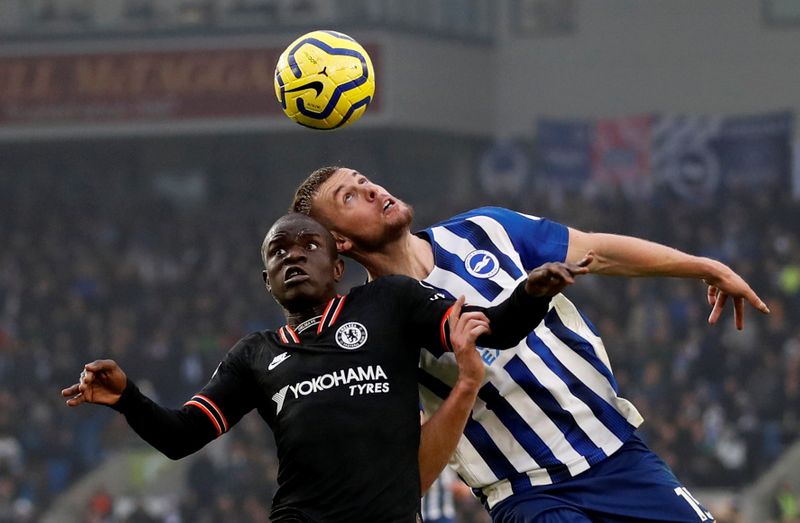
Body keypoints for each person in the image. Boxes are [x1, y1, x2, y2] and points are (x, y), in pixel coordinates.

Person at [290, 166, 771, 523]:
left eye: (365, 180)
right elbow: (406, 457)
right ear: (340, 242)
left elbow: (595, 250)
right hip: (524, 492)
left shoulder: (486, 230)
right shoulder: (371, 328)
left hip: (616, 454)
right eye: (350, 196)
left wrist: (704, 266)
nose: (373, 190)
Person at [62, 213, 590, 523]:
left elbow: (488, 328)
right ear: (266, 280)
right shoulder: (254, 355)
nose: (293, 256)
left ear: (337, 266)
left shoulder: (389, 303)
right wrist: (127, 397)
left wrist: (530, 294)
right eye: (278, 252)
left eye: (308, 244)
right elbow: (183, 435)